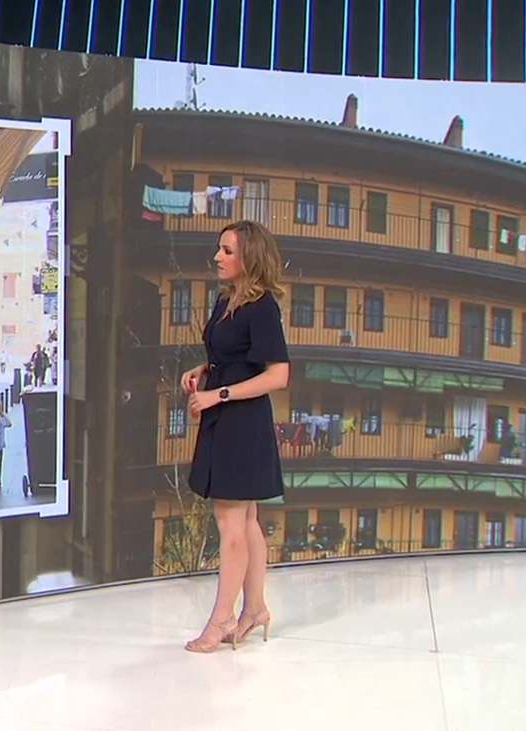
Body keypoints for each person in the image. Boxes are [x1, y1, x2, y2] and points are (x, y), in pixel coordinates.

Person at [180, 219, 290, 653]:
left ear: (249, 257)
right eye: (219, 249)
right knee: (247, 523)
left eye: (227, 250)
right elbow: (232, 357)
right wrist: (203, 370)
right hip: (224, 416)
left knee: (233, 526)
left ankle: (222, 620)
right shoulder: (227, 300)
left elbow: (278, 374)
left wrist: (218, 395)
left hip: (242, 423)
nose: (217, 257)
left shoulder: (263, 307)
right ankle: (256, 609)